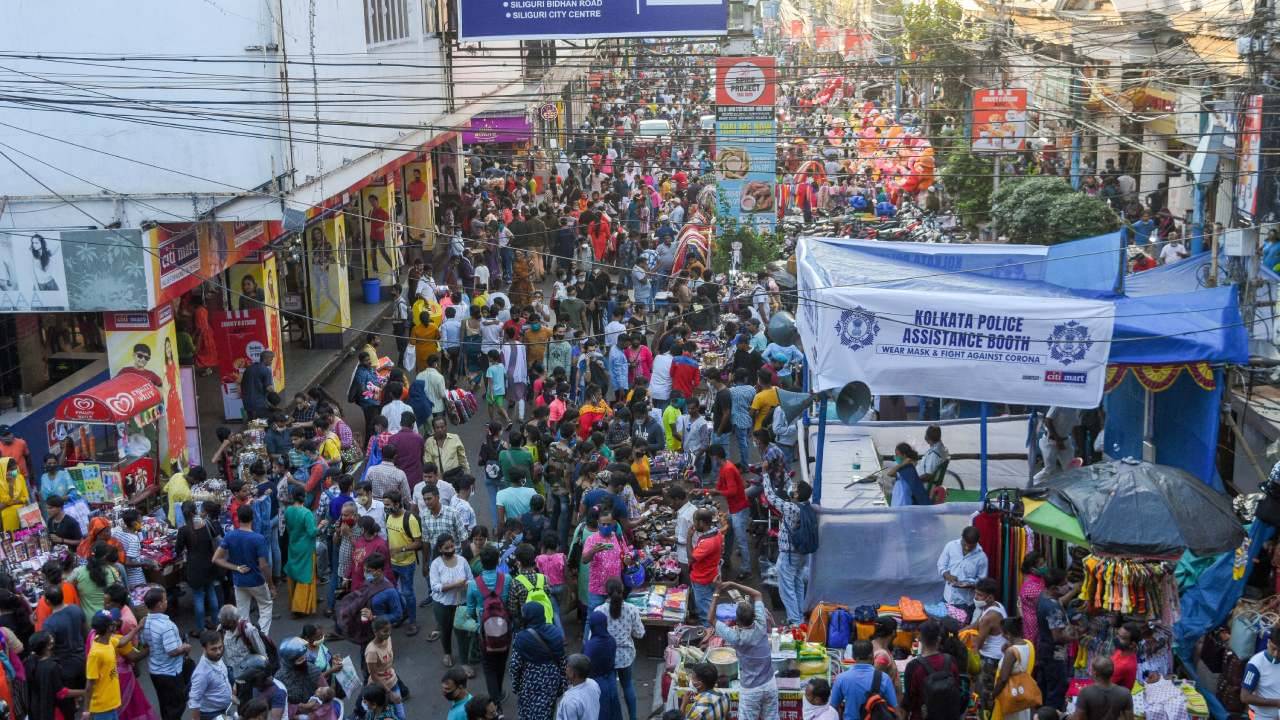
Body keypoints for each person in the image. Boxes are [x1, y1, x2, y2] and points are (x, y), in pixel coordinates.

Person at [711, 582, 777, 720]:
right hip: (770, 684)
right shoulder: (761, 624)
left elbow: (710, 619)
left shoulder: (736, 637)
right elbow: (757, 594)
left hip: (751, 690)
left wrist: (717, 591)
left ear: (737, 622)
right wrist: (733, 584)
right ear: (754, 616)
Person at [213, 505, 275, 635]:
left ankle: (245, 638)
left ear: (238, 518)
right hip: (256, 580)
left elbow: (216, 559)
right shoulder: (258, 538)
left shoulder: (230, 536)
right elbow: (263, 565)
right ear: (252, 518)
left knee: (242, 613)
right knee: (265, 606)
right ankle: (262, 636)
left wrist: (235, 567)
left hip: (239, 581)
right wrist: (271, 585)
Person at [761, 475, 814, 625]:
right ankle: (800, 617)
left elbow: (770, 497)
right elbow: (793, 488)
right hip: (802, 554)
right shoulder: (806, 506)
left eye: (794, 488)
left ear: (796, 495)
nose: (792, 489)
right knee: (797, 584)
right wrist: (783, 473)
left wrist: (766, 475)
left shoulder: (791, 508)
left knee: (786, 589)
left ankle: (795, 621)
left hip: (789, 555)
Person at [466, 545, 510, 702]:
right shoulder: (507, 579)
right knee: (501, 663)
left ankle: (495, 700)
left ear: (481, 562)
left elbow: (470, 611)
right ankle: (499, 691)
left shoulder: (473, 584)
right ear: (498, 561)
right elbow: (510, 604)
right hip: (505, 630)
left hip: (483, 632)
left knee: (489, 667)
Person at [509, 602, 567, 720]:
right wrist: (562, 684)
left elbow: (515, 665)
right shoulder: (555, 632)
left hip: (529, 682)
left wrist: (516, 686)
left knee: (527, 713)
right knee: (547, 711)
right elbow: (562, 661)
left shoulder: (521, 638)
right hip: (551, 680)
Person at [83, 609, 144, 720]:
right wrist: (86, 711)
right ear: (109, 628)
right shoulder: (95, 654)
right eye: (113, 622)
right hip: (102, 706)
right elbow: (89, 684)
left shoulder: (108, 640)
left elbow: (122, 642)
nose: (116, 623)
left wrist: (138, 628)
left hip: (111, 703)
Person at [142, 588, 192, 720]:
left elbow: (145, 643)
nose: (166, 602)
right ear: (159, 604)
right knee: (177, 705)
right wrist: (185, 647)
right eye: (164, 600)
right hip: (169, 672)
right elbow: (172, 651)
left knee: (165, 703)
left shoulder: (145, 621)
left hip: (155, 671)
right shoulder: (166, 626)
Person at [902, 620, 963, 720]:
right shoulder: (950, 661)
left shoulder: (914, 666)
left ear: (920, 638)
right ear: (939, 639)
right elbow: (957, 687)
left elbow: (908, 701)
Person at [430, 534, 470, 670]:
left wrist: (466, 585)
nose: (450, 549)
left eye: (452, 546)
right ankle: (447, 653)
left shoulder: (462, 560)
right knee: (445, 629)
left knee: (462, 632)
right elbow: (435, 587)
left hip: (461, 602)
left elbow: (470, 579)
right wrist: (454, 585)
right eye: (447, 548)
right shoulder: (436, 564)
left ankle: (464, 661)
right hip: (442, 604)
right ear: (440, 549)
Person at [1035, 569, 1073, 711]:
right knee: (1056, 688)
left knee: (1045, 686)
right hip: (1054, 653)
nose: (1068, 586)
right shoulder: (1053, 607)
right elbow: (1057, 636)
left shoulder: (1043, 598)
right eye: (1064, 584)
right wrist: (1074, 636)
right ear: (1053, 588)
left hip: (1045, 649)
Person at [830, 640, 898, 719]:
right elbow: (894, 708)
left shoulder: (841, 678)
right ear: (872, 655)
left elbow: (833, 708)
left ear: (853, 656)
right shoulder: (884, 678)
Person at [971, 578, 1008, 716]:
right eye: (975, 594)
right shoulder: (994, 605)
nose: (976, 597)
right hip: (995, 656)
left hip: (990, 660)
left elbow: (977, 645)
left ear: (990, 597)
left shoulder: (990, 617)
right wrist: (960, 631)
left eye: (979, 595)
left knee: (985, 694)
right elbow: (975, 624)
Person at [582, 507, 631, 611]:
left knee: (615, 618)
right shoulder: (591, 539)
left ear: (613, 523)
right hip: (597, 589)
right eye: (602, 524)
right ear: (598, 523)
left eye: (608, 524)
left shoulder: (618, 537)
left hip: (615, 590)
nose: (605, 526)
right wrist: (593, 551)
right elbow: (584, 560)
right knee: (592, 618)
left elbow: (626, 556)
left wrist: (627, 559)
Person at [26, 630, 81, 720]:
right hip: (53, 711)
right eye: (50, 637)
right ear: (49, 645)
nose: (52, 637)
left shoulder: (30, 663)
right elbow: (61, 693)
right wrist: (84, 692)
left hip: (36, 709)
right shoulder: (52, 667)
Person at [937, 527, 987, 620]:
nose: (967, 548)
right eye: (965, 544)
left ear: (977, 542)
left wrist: (969, 585)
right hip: (947, 598)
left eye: (971, 546)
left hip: (965, 604)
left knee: (960, 632)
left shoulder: (982, 557)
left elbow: (982, 582)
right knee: (945, 628)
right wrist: (947, 575)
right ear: (962, 538)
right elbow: (941, 565)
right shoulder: (950, 546)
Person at [283, 489, 318, 617]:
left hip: (293, 544)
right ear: (304, 498)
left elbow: (288, 528)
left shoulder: (288, 511)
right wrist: (321, 526)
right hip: (306, 547)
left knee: (294, 573)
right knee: (306, 575)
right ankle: (300, 607)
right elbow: (312, 532)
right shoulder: (307, 513)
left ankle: (293, 602)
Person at [688, 509, 726, 624]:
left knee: (706, 615)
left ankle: (709, 636)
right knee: (711, 606)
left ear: (701, 523)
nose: (694, 525)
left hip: (702, 579)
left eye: (695, 522)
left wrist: (688, 537)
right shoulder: (717, 533)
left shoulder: (708, 542)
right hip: (711, 575)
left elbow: (690, 558)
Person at [991, 617, 1034, 720]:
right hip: (1022, 693)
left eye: (1003, 633)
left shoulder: (1011, 652)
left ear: (1008, 634)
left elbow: (1003, 679)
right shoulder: (1028, 644)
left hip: (1010, 696)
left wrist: (993, 695)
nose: (1002, 635)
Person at [70, 543, 123, 622]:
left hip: (87, 621)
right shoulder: (113, 572)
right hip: (107, 620)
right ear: (106, 558)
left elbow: (68, 589)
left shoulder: (78, 573)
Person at [584, 609, 621, 720]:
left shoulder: (590, 646)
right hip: (611, 679)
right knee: (614, 709)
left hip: (597, 682)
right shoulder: (611, 640)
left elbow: (586, 664)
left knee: (601, 711)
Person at [188, 630, 234, 720]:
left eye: (220, 647)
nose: (218, 652)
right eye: (213, 649)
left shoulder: (216, 658)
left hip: (225, 708)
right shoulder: (201, 674)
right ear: (204, 648)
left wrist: (231, 696)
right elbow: (194, 701)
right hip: (211, 714)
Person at [1035, 407, 1080, 481]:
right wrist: (1058, 440)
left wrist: (1077, 443)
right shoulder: (1058, 405)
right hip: (1050, 441)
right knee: (1049, 469)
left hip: (1065, 440)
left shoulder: (1076, 409)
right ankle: (1031, 484)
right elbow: (1048, 420)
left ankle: (1070, 487)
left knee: (1071, 467)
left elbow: (1074, 426)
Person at [558, 654, 601, 720]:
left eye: (567, 667)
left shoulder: (570, 701)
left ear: (573, 674)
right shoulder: (593, 684)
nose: (565, 669)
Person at [240, 351, 276, 422]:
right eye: (271, 360)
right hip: (259, 403)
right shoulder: (266, 370)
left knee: (251, 422)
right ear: (265, 359)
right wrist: (275, 394)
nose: (271, 362)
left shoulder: (249, 368)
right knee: (260, 425)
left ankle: (252, 431)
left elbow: (242, 383)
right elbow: (269, 388)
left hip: (247, 402)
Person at [1110, 622, 1141, 690]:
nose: (1117, 638)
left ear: (1132, 644)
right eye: (1118, 634)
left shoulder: (1123, 666)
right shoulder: (1122, 650)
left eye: (1122, 638)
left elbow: (1105, 685)